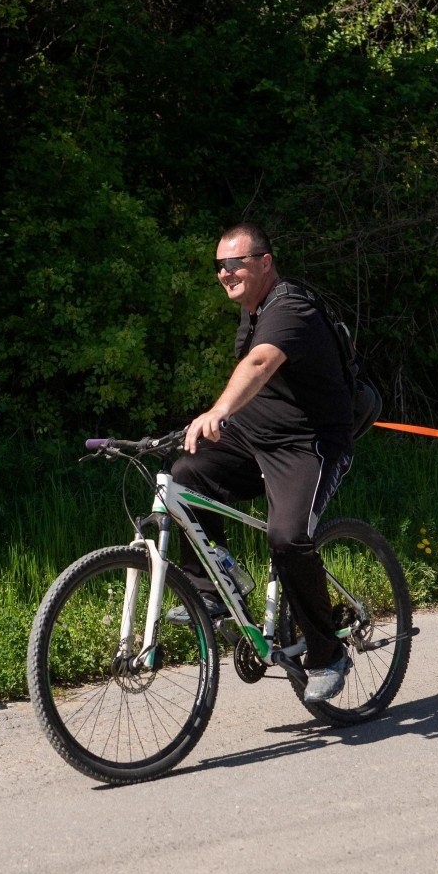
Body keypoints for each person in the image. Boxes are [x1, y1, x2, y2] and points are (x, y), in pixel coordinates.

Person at [173, 224, 356, 701]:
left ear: (265, 263)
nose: (225, 273)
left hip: (309, 445)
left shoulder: (291, 307)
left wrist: (217, 412)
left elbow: (259, 364)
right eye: (218, 266)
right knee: (186, 476)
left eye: (235, 263)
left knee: (287, 538)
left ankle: (327, 654)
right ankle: (215, 586)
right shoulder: (251, 313)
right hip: (256, 441)